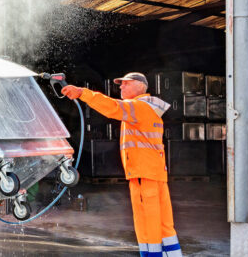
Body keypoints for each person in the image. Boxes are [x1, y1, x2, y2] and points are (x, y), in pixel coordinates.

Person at [61, 72, 182, 257]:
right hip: (154, 172)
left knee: (147, 222)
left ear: (140, 86)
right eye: (121, 84)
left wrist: (82, 93)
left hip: (143, 173)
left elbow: (112, 107)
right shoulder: (149, 108)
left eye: (126, 83)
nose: (121, 87)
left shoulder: (138, 106)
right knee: (163, 222)